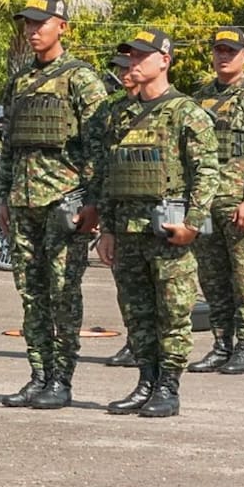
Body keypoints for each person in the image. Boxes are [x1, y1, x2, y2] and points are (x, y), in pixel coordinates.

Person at [95, 28, 219, 417]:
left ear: (164, 60)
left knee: (172, 313)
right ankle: (145, 381)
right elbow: (108, 174)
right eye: (129, 56)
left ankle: (168, 387)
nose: (133, 62)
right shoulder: (119, 113)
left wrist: (193, 224)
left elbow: (207, 173)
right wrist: (108, 229)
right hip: (128, 232)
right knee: (136, 313)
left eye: (141, 56)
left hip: (168, 231)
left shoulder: (186, 113)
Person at [0, 0, 108, 409]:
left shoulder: (81, 79)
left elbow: (99, 147)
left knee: (63, 293)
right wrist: (4, 197)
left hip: (65, 205)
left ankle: (61, 379)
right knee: (31, 294)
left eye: (40, 23)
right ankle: (38, 374)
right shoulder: (20, 81)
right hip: (23, 203)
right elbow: (9, 146)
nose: (32, 31)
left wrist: (94, 203)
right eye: (27, 24)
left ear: (62, 26)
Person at [189, 27, 244, 375]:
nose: (223, 56)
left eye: (231, 51)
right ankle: (221, 343)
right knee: (212, 279)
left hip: (238, 203)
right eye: (219, 50)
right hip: (207, 204)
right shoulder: (200, 98)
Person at [99, 45, 143, 369]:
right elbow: (103, 165)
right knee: (126, 285)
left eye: (130, 65)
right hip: (121, 211)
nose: (126, 72)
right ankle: (134, 340)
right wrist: (106, 221)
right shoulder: (111, 110)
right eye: (121, 67)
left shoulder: (168, 106)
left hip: (157, 215)